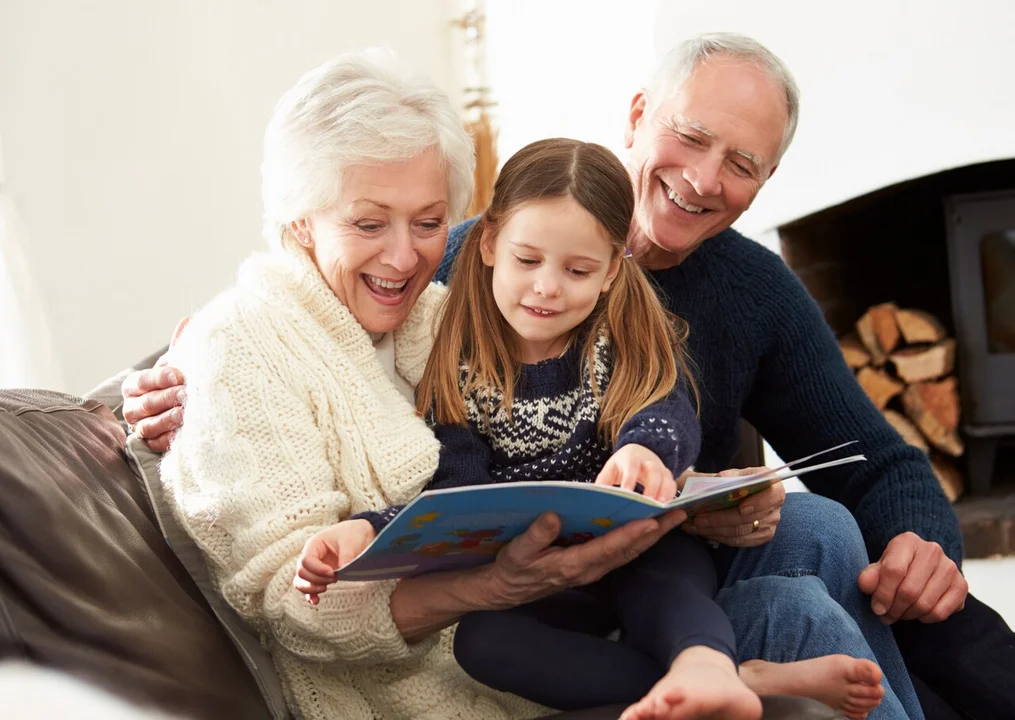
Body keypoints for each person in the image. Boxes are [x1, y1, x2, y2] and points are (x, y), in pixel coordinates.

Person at [292, 138, 887, 720]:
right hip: (545, 584)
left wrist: (644, 450)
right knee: (481, 643)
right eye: (528, 261)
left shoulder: (616, 342)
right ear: (489, 242)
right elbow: (453, 497)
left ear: (611, 270)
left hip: (641, 551)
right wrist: (366, 532)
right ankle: (739, 680)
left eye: (578, 270)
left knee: (665, 583)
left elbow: (665, 413)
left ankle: (704, 665)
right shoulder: (458, 366)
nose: (547, 287)